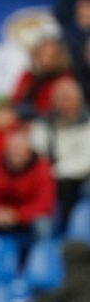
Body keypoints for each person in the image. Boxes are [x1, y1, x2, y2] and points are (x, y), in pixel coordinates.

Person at [29, 76, 90, 225]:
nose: (63, 103)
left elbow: (85, 161)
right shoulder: (42, 126)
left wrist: (55, 171)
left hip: (80, 182)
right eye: (59, 98)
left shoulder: (87, 125)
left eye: (68, 98)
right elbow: (37, 153)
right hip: (50, 181)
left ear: (79, 100)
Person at [0, 127, 55, 242]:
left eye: (20, 151)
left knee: (43, 225)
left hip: (27, 219)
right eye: (13, 150)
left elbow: (44, 203)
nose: (16, 154)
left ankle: (40, 258)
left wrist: (18, 215)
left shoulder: (42, 169)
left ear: (29, 151)